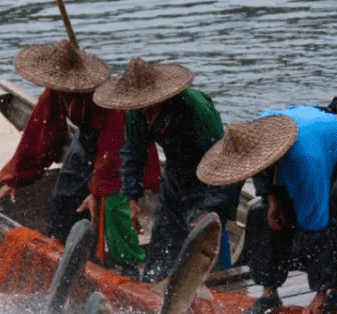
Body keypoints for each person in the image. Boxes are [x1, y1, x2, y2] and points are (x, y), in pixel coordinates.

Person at [0, 40, 160, 272]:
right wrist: (16, 177)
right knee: (64, 200)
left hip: (123, 147)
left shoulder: (111, 103)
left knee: (109, 209)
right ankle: (61, 256)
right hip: (88, 139)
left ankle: (118, 267)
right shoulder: (55, 91)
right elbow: (40, 131)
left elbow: (113, 151)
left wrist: (97, 192)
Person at [195, 102, 337, 314]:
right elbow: (261, 173)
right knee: (260, 215)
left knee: (332, 222)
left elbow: (317, 224)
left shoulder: (306, 160)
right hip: (297, 146)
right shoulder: (255, 137)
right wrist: (273, 201)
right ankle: (269, 294)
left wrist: (320, 294)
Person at [93, 57, 242, 283]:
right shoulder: (137, 114)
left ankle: (221, 282)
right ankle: (156, 284)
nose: (141, 107)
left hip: (211, 172)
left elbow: (227, 161)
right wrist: (133, 196)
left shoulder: (195, 110)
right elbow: (133, 152)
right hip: (175, 174)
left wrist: (210, 206)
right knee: (163, 242)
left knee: (205, 232)